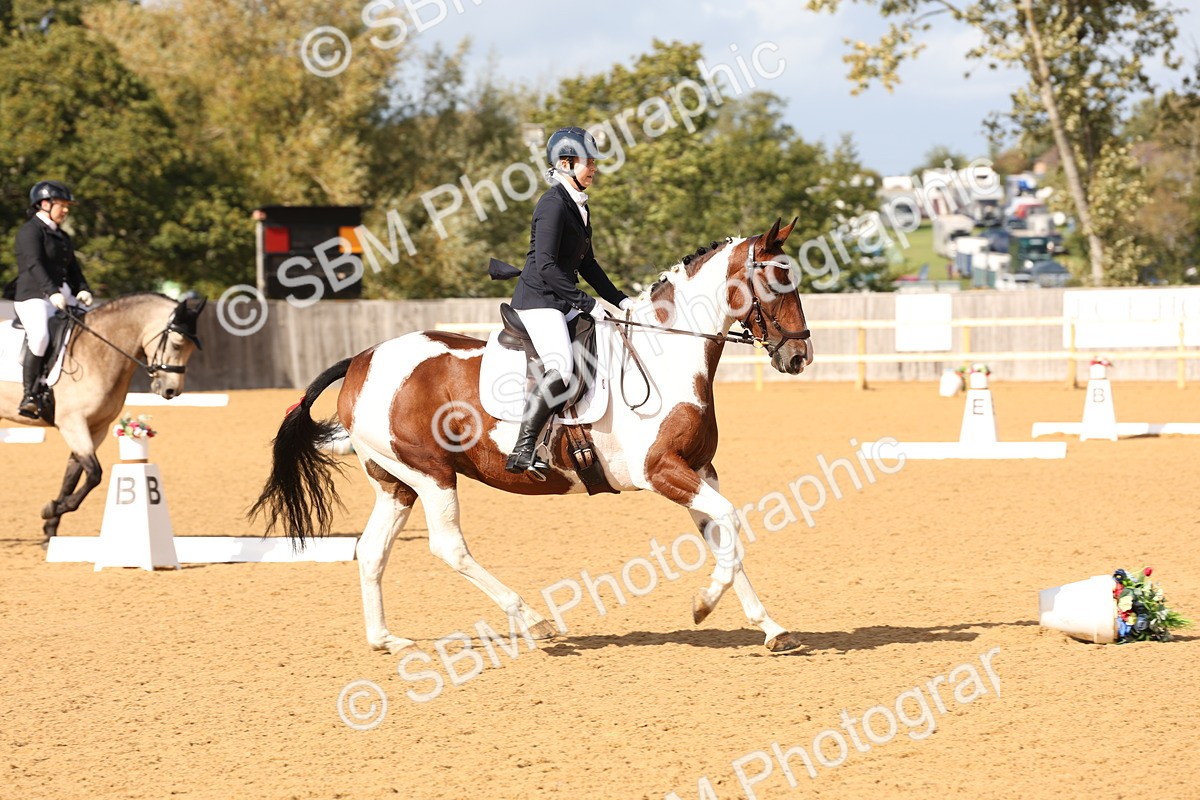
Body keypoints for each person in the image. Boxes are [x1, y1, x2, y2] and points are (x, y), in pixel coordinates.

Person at [505, 126, 633, 474]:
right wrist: (588, 303)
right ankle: (524, 448)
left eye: (594, 161)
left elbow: (587, 263)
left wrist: (620, 301)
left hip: (559, 299)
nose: (594, 168)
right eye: (588, 162)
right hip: (539, 301)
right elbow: (545, 266)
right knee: (560, 365)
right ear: (565, 163)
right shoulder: (553, 204)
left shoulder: (578, 205)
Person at [13, 180, 93, 418]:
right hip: (33, 296)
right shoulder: (29, 231)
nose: (66, 210)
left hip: (61, 295)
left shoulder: (63, 236)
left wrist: (83, 289)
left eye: (68, 205)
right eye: (62, 205)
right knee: (40, 336)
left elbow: (74, 269)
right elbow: (34, 265)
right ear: (44, 204)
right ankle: (30, 394)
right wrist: (52, 292)